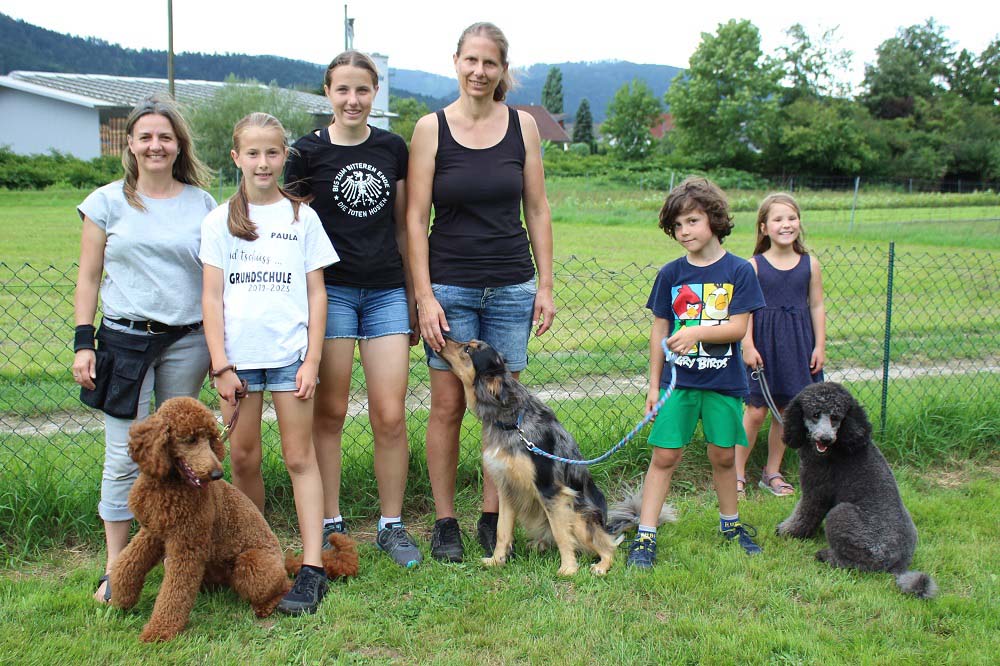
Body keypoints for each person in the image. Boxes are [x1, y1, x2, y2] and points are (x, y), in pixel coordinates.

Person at [406, 21, 555, 562]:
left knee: (502, 411)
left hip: (512, 286)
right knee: (448, 406)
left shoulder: (523, 126)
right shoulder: (431, 129)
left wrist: (545, 284)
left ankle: (494, 518)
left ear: (502, 69)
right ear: (456, 61)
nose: (479, 71)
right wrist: (424, 296)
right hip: (450, 287)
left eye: (490, 62)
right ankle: (445, 522)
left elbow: (536, 207)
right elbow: (414, 216)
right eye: (471, 60)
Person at [72, 95, 216, 603]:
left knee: (180, 456)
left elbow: (214, 279)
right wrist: (83, 342)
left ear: (179, 145)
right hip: (124, 343)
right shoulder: (106, 202)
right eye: (146, 137)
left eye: (165, 137)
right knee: (123, 456)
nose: (156, 145)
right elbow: (89, 277)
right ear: (130, 144)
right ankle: (117, 567)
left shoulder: (201, 204)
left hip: (187, 341)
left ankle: (179, 554)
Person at [283, 51, 422, 568]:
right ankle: (330, 522)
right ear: (327, 93)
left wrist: (413, 294)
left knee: (390, 414)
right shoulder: (305, 153)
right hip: (332, 294)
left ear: (374, 93)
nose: (352, 100)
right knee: (332, 412)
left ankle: (391, 524)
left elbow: (405, 225)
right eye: (342, 89)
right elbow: (290, 232)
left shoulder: (392, 148)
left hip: (385, 292)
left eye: (362, 90)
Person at [200, 112, 338, 615]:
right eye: (253, 153)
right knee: (243, 460)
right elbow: (211, 298)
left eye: (272, 153)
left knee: (300, 458)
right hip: (238, 365)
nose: (263, 162)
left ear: (284, 157)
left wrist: (312, 359)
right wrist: (221, 366)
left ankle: (313, 567)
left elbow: (317, 294)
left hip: (289, 360)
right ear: (236, 157)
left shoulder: (302, 218)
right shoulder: (219, 221)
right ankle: (255, 556)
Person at [627, 177, 766, 569]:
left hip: (723, 383)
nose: (684, 231)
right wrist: (653, 386)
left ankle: (730, 525)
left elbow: (738, 327)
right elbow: (659, 329)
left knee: (723, 455)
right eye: (677, 225)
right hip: (678, 386)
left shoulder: (740, 271)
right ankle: (645, 535)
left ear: (714, 219)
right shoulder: (670, 274)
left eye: (692, 221)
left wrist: (695, 333)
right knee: (665, 455)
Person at [735, 193, 826, 498]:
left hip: (797, 345)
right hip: (763, 346)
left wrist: (819, 346)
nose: (786, 224)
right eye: (778, 219)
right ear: (764, 228)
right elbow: (744, 311)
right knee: (756, 410)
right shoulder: (754, 266)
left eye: (791, 218)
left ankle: (772, 472)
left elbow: (817, 306)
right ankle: (735, 473)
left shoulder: (810, 264)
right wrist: (747, 345)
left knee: (787, 412)